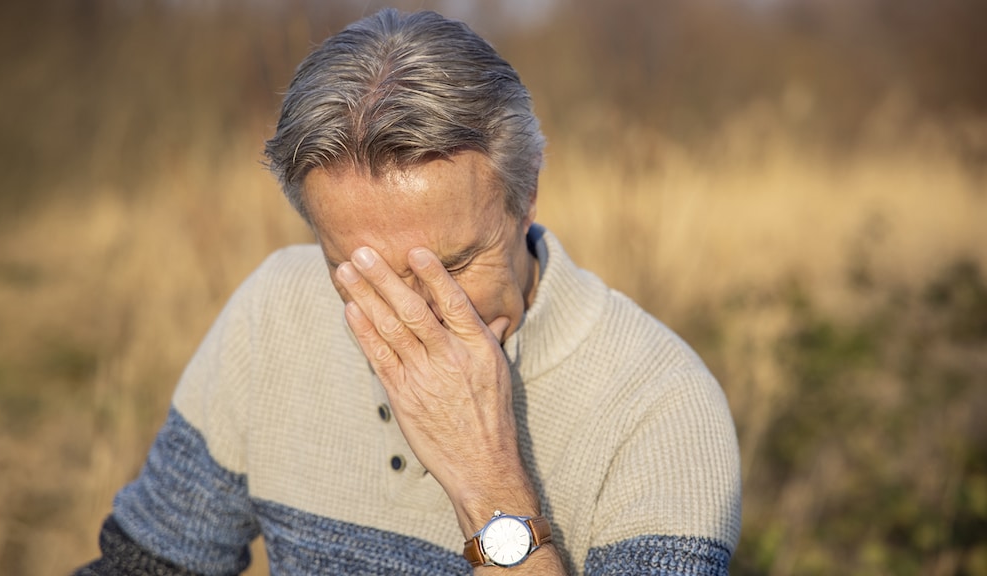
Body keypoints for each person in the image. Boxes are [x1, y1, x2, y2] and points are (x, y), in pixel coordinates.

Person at [75, 8, 740, 576]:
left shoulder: (663, 406)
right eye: (362, 274)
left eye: (451, 267)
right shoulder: (273, 310)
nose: (414, 311)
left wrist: (489, 487)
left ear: (527, 194)